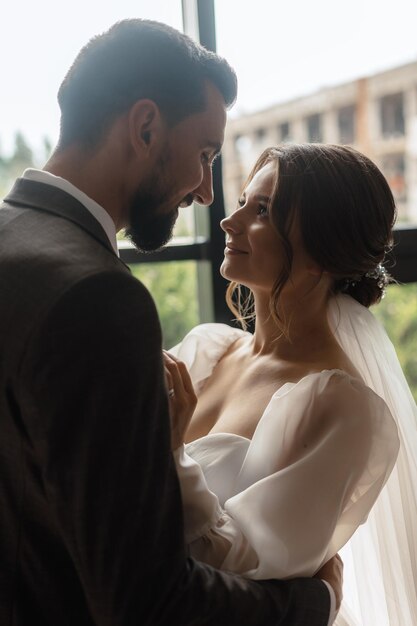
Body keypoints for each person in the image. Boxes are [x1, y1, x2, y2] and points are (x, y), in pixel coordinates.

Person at [0, 20, 341, 626]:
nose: (207, 193)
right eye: (205, 155)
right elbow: (147, 604)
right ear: (146, 126)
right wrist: (312, 601)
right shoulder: (100, 298)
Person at [166, 144, 417, 625]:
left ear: (322, 253)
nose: (228, 222)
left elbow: (246, 565)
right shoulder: (204, 349)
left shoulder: (342, 409)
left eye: (262, 211)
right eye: (241, 202)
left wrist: (169, 452)